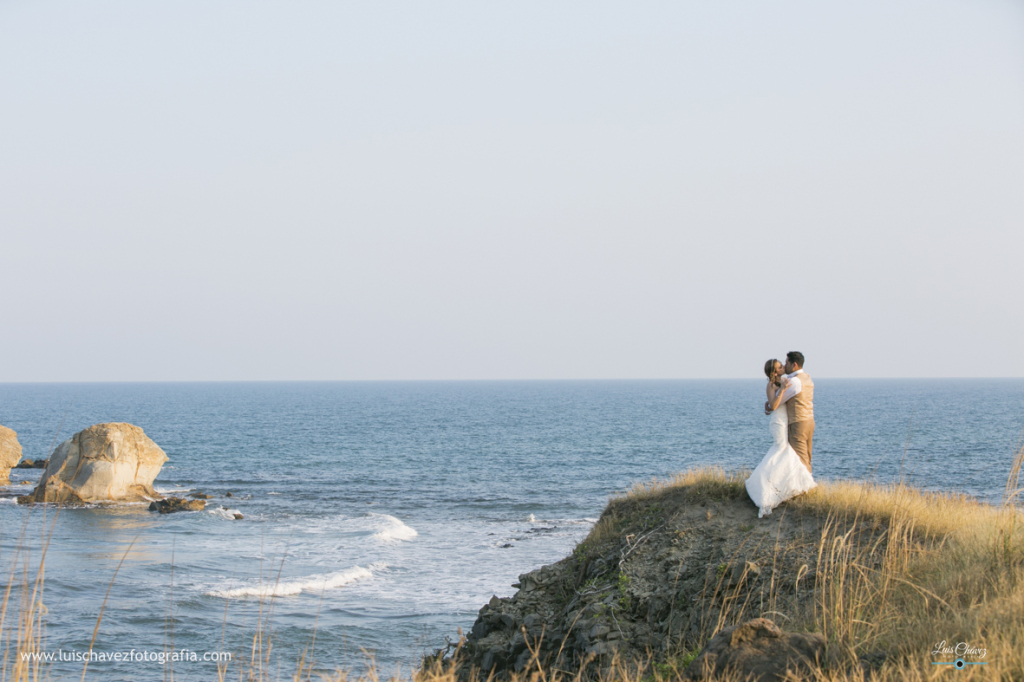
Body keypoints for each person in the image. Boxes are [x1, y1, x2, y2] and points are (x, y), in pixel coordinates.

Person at [745, 357, 816, 518]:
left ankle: (789, 485)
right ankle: (766, 484)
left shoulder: (786, 380)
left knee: (788, 453)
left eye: (784, 364)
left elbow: (775, 401)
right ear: (774, 372)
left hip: (786, 420)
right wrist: (780, 392)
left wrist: (771, 401)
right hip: (779, 422)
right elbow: (775, 404)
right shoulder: (771, 385)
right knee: (781, 450)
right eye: (780, 366)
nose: (784, 367)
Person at [765, 351, 815, 473]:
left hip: (798, 422)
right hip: (810, 421)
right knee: (807, 456)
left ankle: (805, 487)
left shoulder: (794, 382)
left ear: (794, 365)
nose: (785, 365)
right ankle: (807, 485)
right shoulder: (807, 378)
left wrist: (769, 407)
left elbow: (777, 403)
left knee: (800, 458)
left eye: (786, 363)